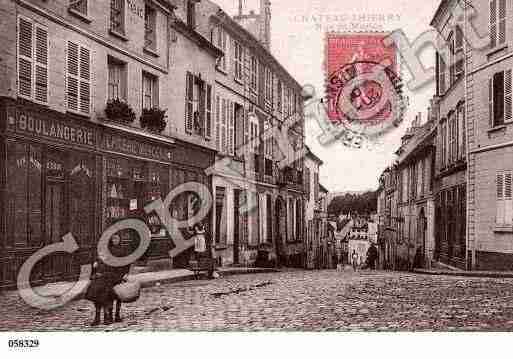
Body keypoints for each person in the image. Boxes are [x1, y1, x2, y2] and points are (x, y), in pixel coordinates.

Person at [85, 234, 131, 326]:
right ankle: (98, 317)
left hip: (116, 275)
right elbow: (98, 263)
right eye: (113, 239)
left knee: (108, 292)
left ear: (120, 239)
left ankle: (111, 316)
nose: (115, 240)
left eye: (117, 238)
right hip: (104, 276)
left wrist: (125, 274)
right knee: (96, 291)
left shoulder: (123, 250)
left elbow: (126, 264)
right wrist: (95, 265)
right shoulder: (106, 250)